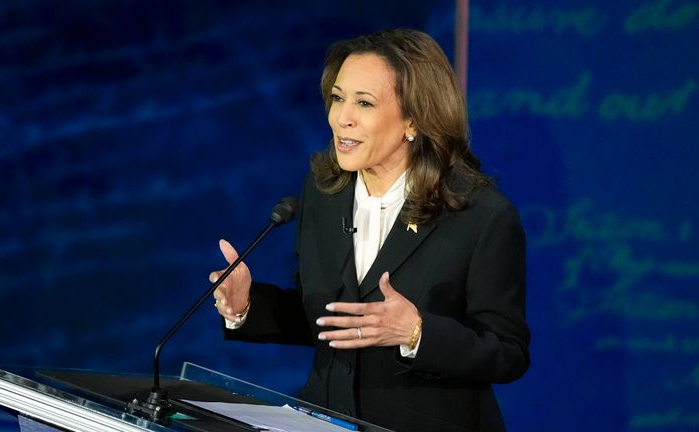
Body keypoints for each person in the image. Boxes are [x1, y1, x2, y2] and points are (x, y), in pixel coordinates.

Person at [209, 28, 530, 432]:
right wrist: (246, 306)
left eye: (364, 103)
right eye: (338, 98)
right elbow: (328, 318)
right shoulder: (324, 192)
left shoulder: (480, 216)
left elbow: (507, 351)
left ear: (414, 119)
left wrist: (415, 332)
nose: (341, 118)